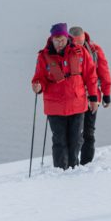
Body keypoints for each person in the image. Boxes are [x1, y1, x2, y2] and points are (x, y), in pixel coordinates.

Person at [31, 23, 99, 170]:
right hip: (55, 107)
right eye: (56, 40)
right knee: (59, 141)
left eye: (62, 39)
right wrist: (38, 87)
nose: (59, 43)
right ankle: (60, 171)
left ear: (67, 38)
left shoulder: (79, 52)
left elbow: (91, 76)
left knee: (76, 140)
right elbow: (39, 78)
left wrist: (93, 98)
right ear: (51, 39)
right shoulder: (44, 56)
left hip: (77, 104)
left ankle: (73, 168)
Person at [69, 26, 111, 165]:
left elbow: (104, 72)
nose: (79, 46)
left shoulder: (95, 50)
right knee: (74, 133)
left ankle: (86, 164)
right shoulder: (65, 52)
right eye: (76, 43)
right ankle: (71, 164)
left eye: (81, 43)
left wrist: (107, 94)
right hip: (73, 99)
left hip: (92, 97)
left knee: (88, 131)